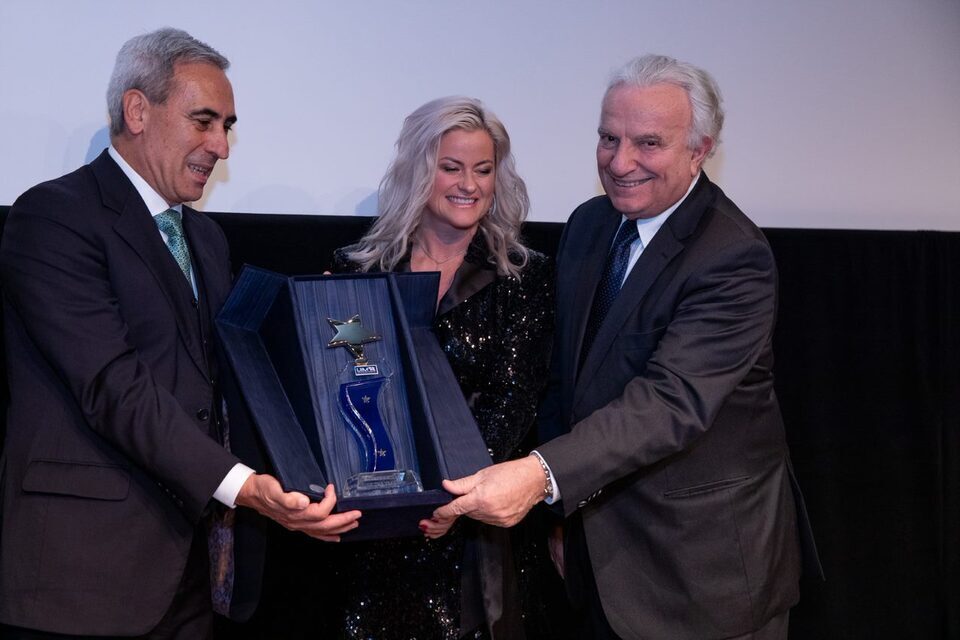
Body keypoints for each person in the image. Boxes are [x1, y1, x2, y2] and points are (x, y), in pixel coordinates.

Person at [432, 55, 822, 640]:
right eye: (608, 138)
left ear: (700, 150)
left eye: (648, 143)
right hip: (598, 562)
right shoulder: (590, 225)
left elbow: (669, 403)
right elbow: (566, 381)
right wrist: (561, 514)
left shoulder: (732, 256)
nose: (619, 162)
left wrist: (541, 476)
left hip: (702, 576)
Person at [0, 27, 359, 639]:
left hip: (189, 575)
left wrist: (316, 322)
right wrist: (243, 487)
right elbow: (112, 385)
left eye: (227, 126)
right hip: (80, 576)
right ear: (138, 110)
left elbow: (225, 371)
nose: (221, 146)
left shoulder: (205, 238)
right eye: (204, 121)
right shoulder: (55, 217)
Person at [327, 96, 557, 639]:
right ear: (419, 170)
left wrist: (445, 500)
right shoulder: (357, 269)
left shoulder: (524, 277)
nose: (469, 185)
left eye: (484, 169)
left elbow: (512, 405)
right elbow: (343, 393)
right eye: (451, 167)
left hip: (474, 530)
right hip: (374, 529)